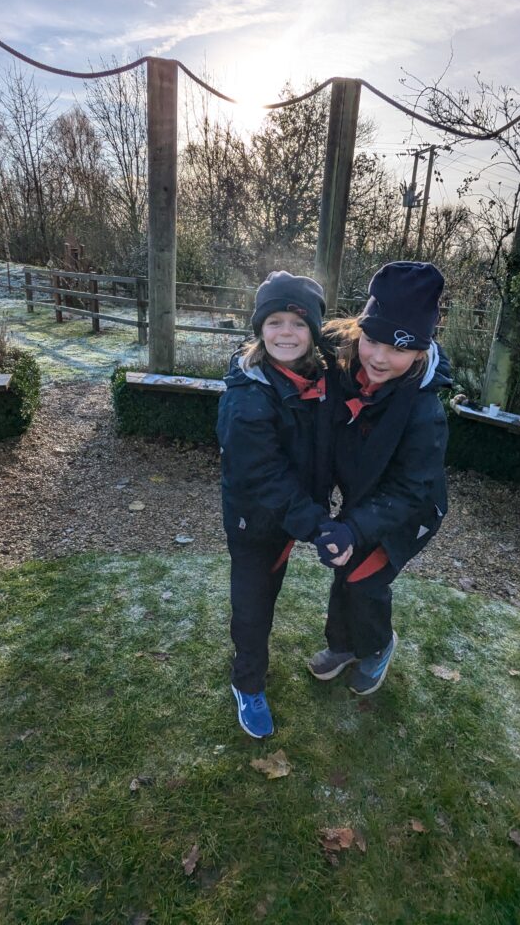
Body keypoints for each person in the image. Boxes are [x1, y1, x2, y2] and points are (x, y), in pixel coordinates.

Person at [308, 261, 452, 696]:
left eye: (398, 348)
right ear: (358, 331)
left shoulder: (426, 413)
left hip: (410, 511)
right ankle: (343, 645)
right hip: (363, 498)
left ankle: (377, 646)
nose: (379, 357)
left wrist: (353, 527)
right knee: (343, 571)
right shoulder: (343, 366)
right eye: (372, 340)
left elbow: (411, 490)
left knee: (363, 579)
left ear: (420, 353)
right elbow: (281, 338)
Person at [217, 271, 340, 738]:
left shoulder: (323, 379)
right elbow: (261, 476)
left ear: (314, 333)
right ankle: (247, 681)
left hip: (296, 515)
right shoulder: (248, 396)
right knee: (253, 604)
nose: (285, 333)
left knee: (275, 585)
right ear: (259, 328)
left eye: (298, 323)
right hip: (255, 520)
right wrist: (317, 524)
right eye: (274, 322)